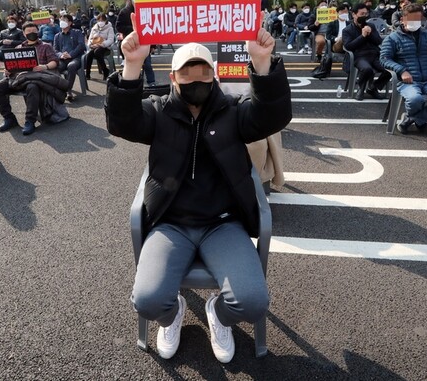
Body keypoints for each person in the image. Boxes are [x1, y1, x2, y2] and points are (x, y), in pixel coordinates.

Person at [104, 18, 292, 363]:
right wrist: (132, 66)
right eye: (186, 73)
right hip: (170, 224)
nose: (196, 80)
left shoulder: (232, 113)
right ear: (172, 78)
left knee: (251, 301)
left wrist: (263, 64)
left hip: (223, 224)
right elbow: (123, 122)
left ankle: (218, 314)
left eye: (203, 72)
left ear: (214, 76)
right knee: (148, 301)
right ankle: (171, 313)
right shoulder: (159, 113)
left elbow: (272, 116)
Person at [380, 3, 427, 133]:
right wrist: (402, 71)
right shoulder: (393, 38)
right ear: (403, 20)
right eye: (412, 19)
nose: (415, 22)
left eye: (418, 19)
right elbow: (384, 59)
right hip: (408, 81)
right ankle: (419, 119)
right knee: (415, 99)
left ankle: (414, 119)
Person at [0, 22, 67, 136]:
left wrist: (44, 66)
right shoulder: (18, 48)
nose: (32, 33)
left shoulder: (46, 46)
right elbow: (12, 66)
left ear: (38, 32)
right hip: (18, 77)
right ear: (24, 33)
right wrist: (8, 70)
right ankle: (9, 118)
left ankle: (30, 121)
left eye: (34, 31)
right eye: (28, 32)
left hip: (36, 78)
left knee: (32, 87)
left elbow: (55, 62)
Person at [342, 3, 391, 101]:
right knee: (367, 69)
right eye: (361, 14)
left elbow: (378, 41)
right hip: (360, 56)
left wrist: (370, 33)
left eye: (366, 14)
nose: (364, 16)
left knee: (390, 69)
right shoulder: (347, 30)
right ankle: (361, 88)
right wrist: (362, 36)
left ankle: (373, 87)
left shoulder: (370, 25)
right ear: (354, 14)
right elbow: (349, 46)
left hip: (375, 55)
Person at [53, 13, 86, 101]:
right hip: (63, 59)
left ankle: (68, 90)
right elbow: (55, 50)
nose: (62, 22)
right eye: (61, 20)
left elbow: (81, 45)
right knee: (55, 67)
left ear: (70, 23)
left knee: (71, 66)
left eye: (64, 20)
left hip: (75, 58)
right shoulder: (57, 36)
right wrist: (61, 55)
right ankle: (57, 89)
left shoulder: (77, 32)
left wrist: (71, 54)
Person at [84, 13, 115, 80]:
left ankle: (105, 70)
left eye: (102, 20)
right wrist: (90, 45)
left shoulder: (110, 28)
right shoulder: (94, 28)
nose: (100, 22)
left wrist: (102, 44)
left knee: (97, 52)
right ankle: (88, 73)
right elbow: (90, 38)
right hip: (95, 46)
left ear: (105, 20)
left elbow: (110, 40)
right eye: (99, 20)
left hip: (105, 47)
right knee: (89, 54)